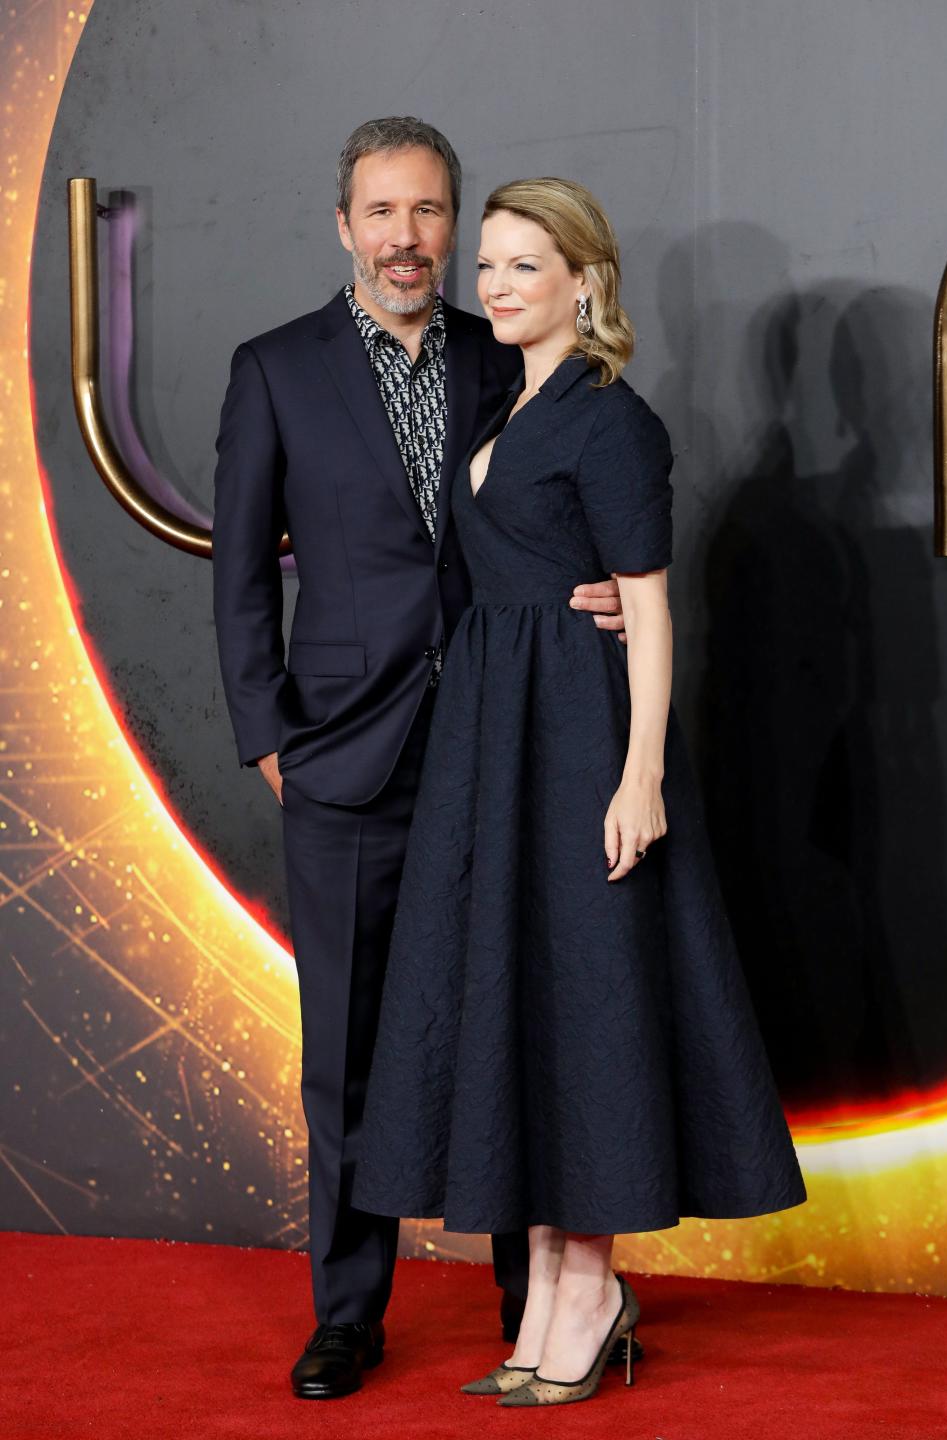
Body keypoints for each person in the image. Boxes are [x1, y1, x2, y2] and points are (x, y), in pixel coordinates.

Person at [352, 177, 808, 1408]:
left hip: (579, 737)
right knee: (527, 996)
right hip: (495, 734)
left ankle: (589, 1289)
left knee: (588, 995)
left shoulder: (613, 419)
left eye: (521, 265)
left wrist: (641, 776)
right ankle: (555, 1288)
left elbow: (650, 609)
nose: (493, 284)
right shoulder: (509, 401)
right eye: (487, 264)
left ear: (585, 280)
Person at [211, 119, 630, 1401]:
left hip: (506, 748)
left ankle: (537, 1301)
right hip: (346, 762)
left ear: (455, 227)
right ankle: (349, 1314)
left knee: (514, 1023)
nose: (409, 239)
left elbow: (564, 505)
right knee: (344, 1052)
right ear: (344, 225)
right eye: (383, 213)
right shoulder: (275, 369)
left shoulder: (507, 352)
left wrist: (613, 593)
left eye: (431, 212)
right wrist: (272, 738)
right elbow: (236, 580)